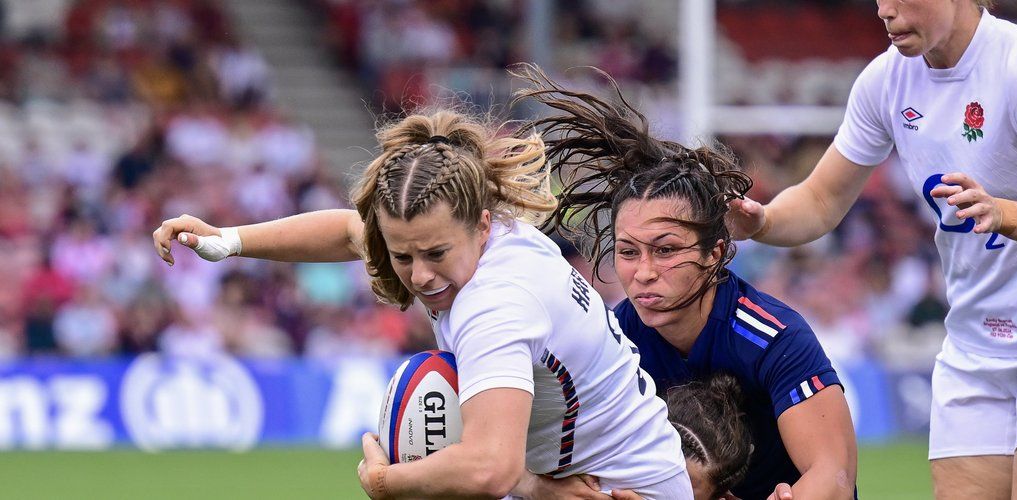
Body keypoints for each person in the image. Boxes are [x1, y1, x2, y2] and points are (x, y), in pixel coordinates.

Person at [724, 1, 1017, 499]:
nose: (885, 10)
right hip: (974, 351)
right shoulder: (885, 81)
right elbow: (820, 200)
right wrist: (764, 220)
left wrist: (1004, 212)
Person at [153, 110, 691, 499]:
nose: (421, 275)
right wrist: (227, 240)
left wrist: (386, 482)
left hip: (621, 488)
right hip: (583, 475)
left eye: (435, 254)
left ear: (481, 225)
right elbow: (347, 232)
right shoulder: (478, 233)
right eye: (402, 256)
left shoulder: (495, 305)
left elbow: (488, 470)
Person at [514, 64, 857, 500]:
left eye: (666, 250)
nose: (644, 272)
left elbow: (834, 479)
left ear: (714, 254)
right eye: (628, 251)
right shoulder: (611, 337)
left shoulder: (776, 339)